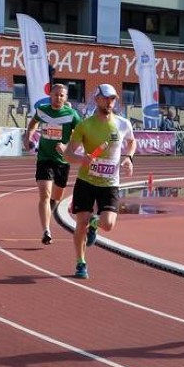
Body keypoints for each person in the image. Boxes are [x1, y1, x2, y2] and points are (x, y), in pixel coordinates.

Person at [63, 84, 136, 280]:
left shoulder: (123, 124)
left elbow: (131, 141)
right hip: (86, 181)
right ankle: (80, 263)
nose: (110, 102)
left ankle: (95, 223)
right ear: (97, 99)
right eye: (106, 98)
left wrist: (128, 157)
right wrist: (81, 159)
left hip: (110, 183)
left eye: (113, 99)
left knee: (109, 224)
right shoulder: (85, 125)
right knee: (81, 222)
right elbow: (69, 154)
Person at [23, 83, 82, 245]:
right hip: (44, 158)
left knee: (55, 197)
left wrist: (67, 147)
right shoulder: (42, 110)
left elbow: (80, 136)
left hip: (63, 161)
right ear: (51, 95)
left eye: (62, 95)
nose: (58, 98)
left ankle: (50, 212)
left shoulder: (72, 115)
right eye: (56, 95)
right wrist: (28, 136)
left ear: (66, 98)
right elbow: (33, 124)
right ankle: (46, 230)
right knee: (45, 194)